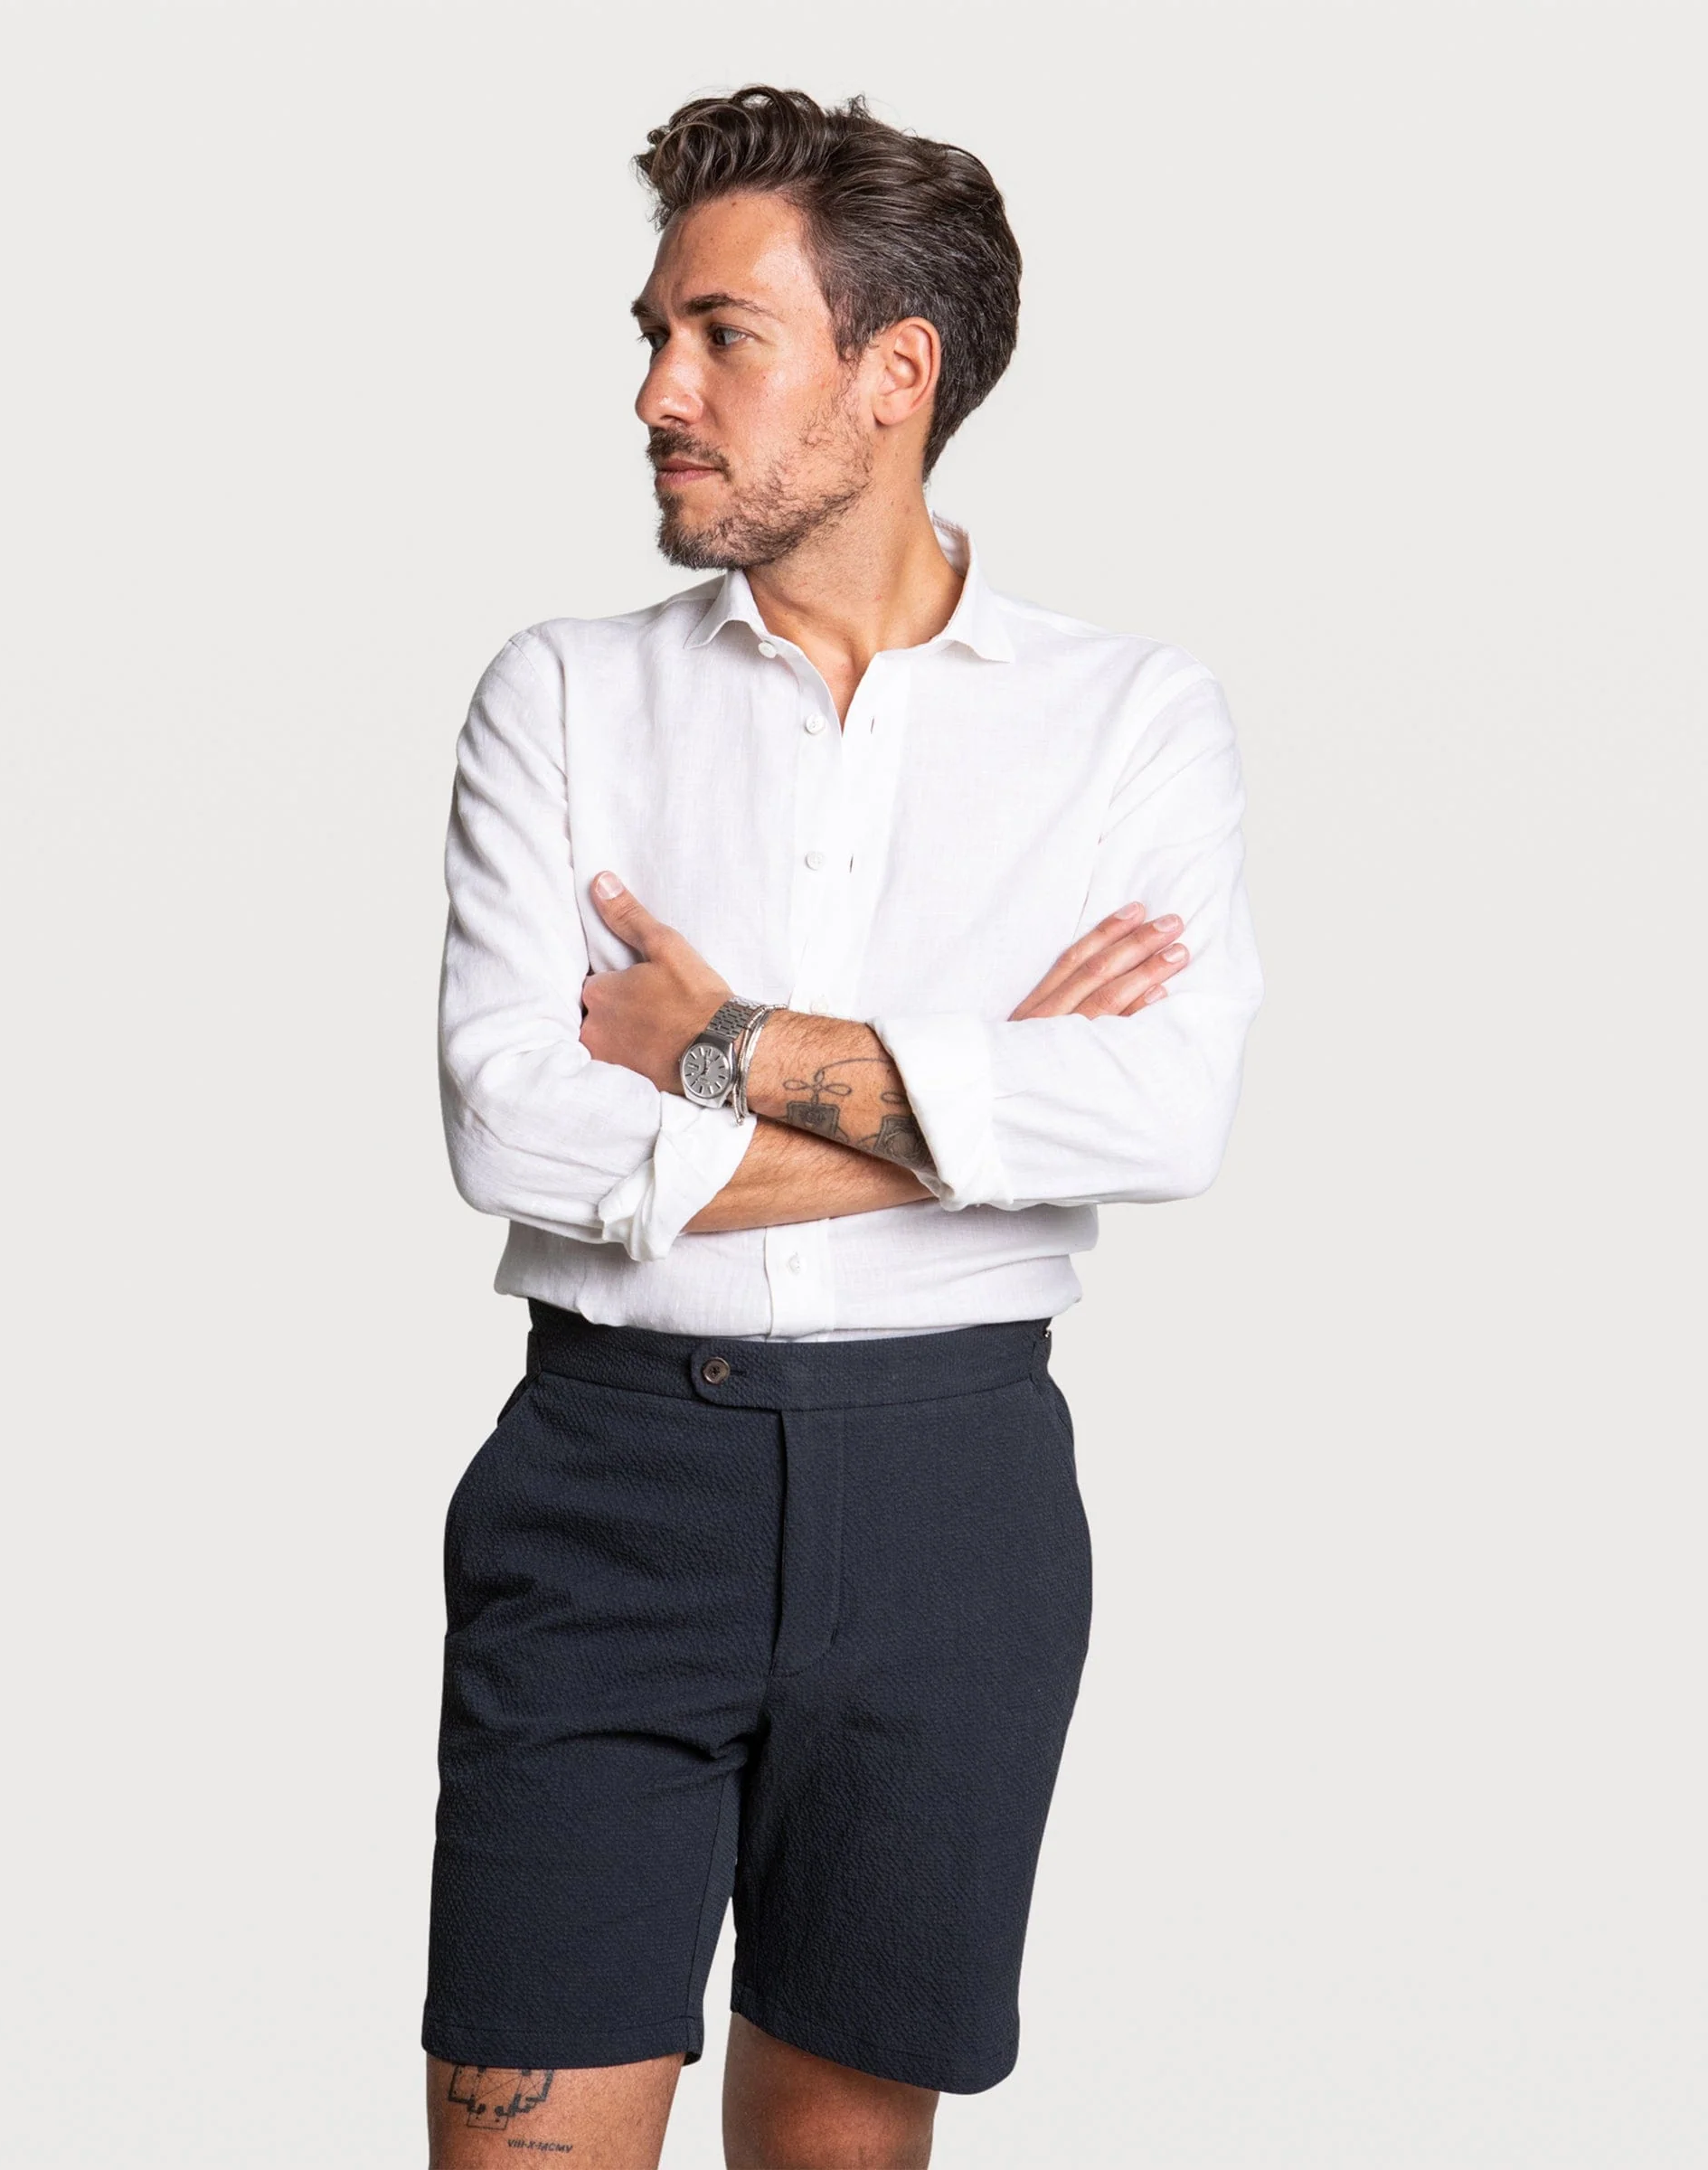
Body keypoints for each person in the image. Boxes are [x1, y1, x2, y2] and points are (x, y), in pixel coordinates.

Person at [427, 84, 1261, 2170]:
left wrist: (716, 1050)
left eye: (722, 336)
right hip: (610, 1490)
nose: (656, 391)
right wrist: (989, 1088)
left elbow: (1161, 1106)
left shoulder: (1126, 718)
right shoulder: (562, 695)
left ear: (897, 375)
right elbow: (514, 1132)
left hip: (951, 1502)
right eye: (655, 334)